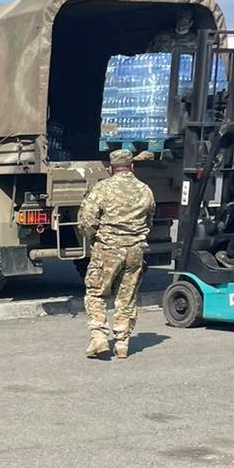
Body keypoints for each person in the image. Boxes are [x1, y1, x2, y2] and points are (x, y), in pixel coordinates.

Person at [77, 148, 156, 360]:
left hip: (108, 249)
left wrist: (95, 238)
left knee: (96, 293)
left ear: (111, 169)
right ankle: (122, 342)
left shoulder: (102, 188)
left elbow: (86, 220)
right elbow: (150, 220)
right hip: (135, 250)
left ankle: (99, 337)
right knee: (126, 297)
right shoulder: (145, 190)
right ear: (132, 167)